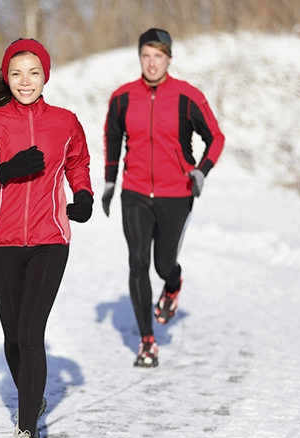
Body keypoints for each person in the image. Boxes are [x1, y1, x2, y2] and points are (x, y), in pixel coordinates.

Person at [0, 38, 93, 438]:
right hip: (0, 244)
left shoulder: (65, 122)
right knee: (14, 337)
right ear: (6, 78)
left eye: (33, 72)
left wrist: (83, 195)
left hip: (51, 239)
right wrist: (6, 171)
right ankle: (35, 396)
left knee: (32, 334)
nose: (25, 81)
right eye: (16, 73)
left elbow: (78, 163)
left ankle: (25, 432)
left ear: (45, 75)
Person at [102, 28, 225, 368]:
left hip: (176, 193)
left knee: (162, 264)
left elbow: (215, 137)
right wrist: (111, 182)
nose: (151, 63)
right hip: (136, 191)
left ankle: (172, 284)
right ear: (139, 58)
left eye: (158, 56)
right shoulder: (123, 98)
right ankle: (147, 341)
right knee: (138, 262)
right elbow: (113, 138)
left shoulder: (188, 97)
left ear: (169, 58)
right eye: (145, 56)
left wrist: (201, 171)